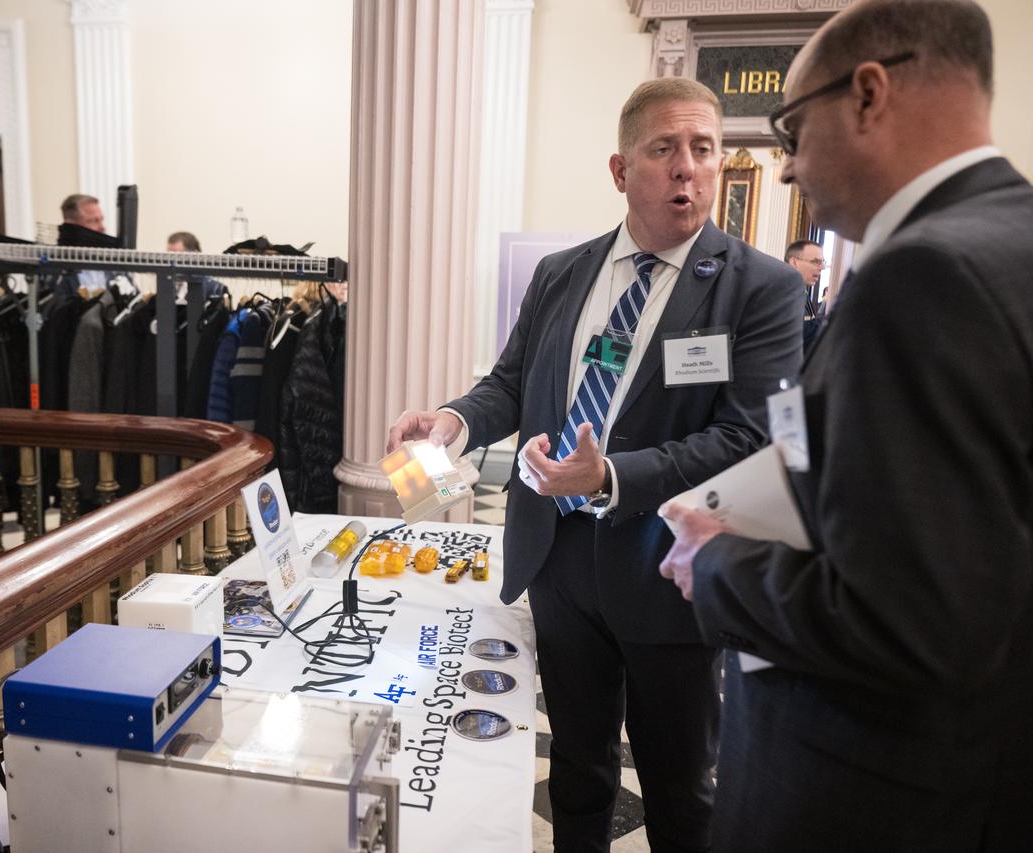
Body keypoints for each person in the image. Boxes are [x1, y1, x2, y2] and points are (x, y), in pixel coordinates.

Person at [388, 77, 802, 853]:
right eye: (665, 149)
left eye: (704, 149)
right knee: (577, 768)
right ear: (621, 170)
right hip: (559, 562)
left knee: (681, 788)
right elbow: (511, 384)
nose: (688, 168)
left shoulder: (761, 289)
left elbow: (751, 437)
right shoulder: (562, 274)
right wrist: (452, 421)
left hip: (668, 570)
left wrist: (609, 476)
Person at [658, 1, 1033, 850]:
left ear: (868, 95)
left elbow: (912, 617)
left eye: (791, 127)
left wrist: (715, 559)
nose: (784, 168)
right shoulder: (1011, 237)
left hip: (870, 791)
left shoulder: (926, 275)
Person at [784, 238, 825, 316]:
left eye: (822, 262)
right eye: (816, 262)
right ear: (794, 262)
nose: (821, 268)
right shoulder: (782, 294)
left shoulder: (801, 291)